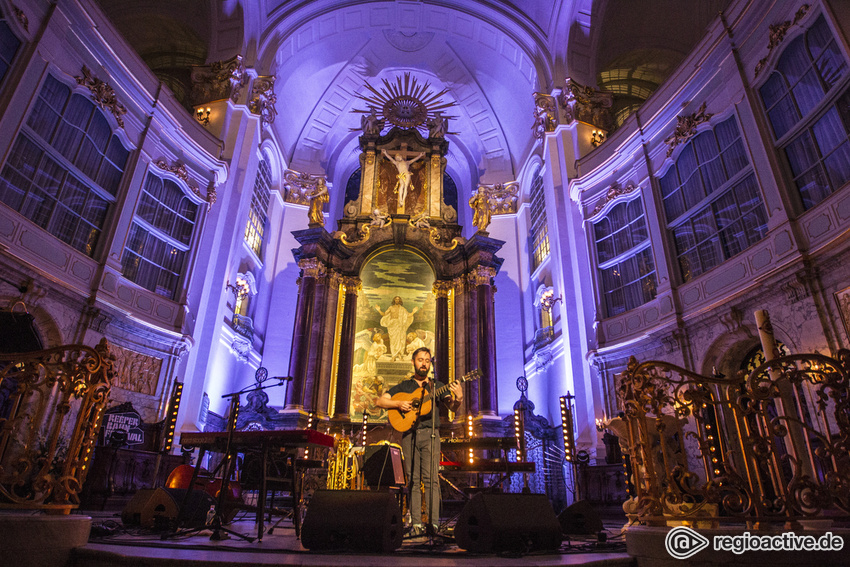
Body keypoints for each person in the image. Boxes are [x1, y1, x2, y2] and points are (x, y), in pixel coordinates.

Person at [375, 347, 462, 536]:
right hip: (409, 435)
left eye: (427, 360)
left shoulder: (437, 386)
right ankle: (416, 524)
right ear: (413, 362)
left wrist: (459, 398)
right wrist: (398, 403)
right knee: (413, 480)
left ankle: (433, 525)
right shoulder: (405, 386)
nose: (424, 363)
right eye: (420, 360)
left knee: (431, 480)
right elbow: (380, 402)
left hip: (431, 435)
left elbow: (452, 407)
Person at [374, 296, 418, 361]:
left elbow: (408, 315)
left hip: (400, 326)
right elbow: (384, 314)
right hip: (393, 326)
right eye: (396, 299)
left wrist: (413, 312)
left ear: (400, 300)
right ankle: (394, 356)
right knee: (393, 341)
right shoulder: (391, 308)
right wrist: (379, 310)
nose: (397, 300)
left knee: (401, 341)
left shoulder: (402, 309)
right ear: (394, 300)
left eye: (398, 299)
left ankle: (400, 355)